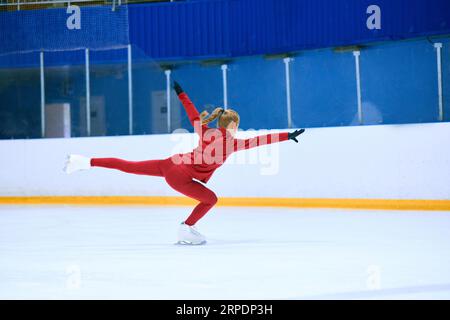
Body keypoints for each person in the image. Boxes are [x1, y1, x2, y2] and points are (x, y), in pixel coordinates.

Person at [64, 81, 305, 245]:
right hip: (179, 176)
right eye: (237, 125)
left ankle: (84, 162)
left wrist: (181, 93)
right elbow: (260, 140)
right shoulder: (234, 143)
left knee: (129, 165)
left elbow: (192, 114)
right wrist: (287, 136)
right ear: (232, 126)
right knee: (210, 199)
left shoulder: (206, 131)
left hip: (171, 163)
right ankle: (186, 227)